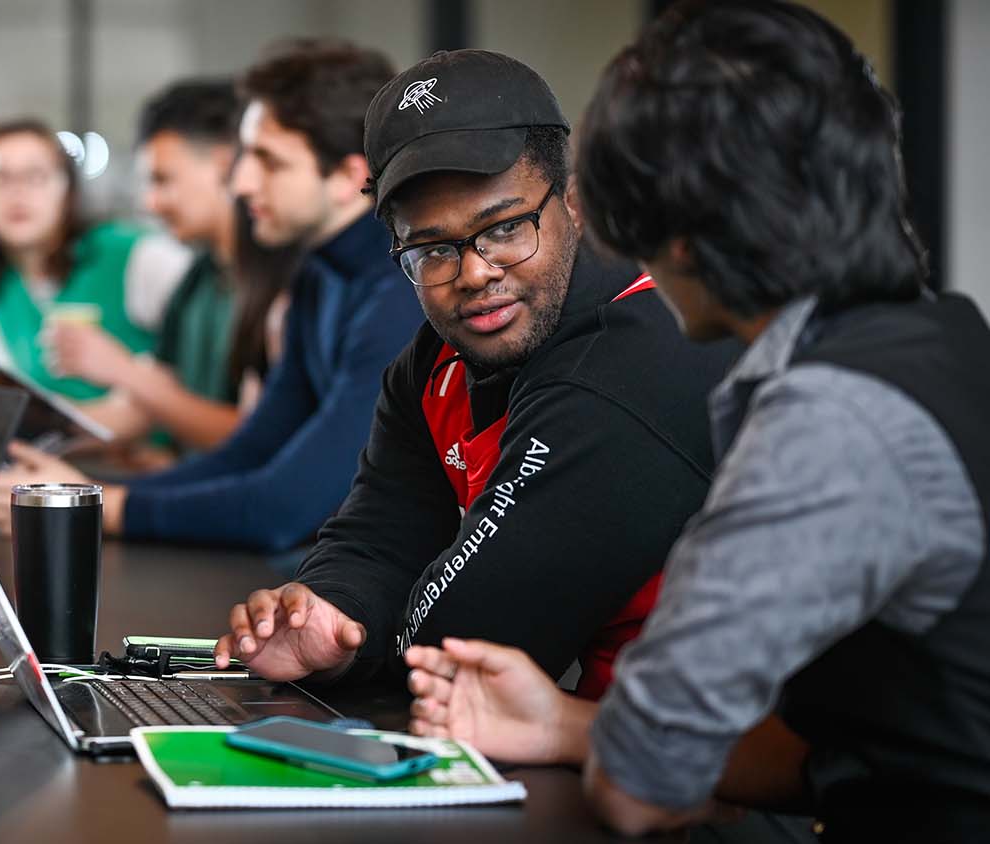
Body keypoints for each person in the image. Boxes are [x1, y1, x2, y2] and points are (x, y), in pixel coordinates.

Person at [405, 2, 990, 840]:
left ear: (670, 235)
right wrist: (569, 727)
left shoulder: (823, 421)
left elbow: (641, 785)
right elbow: (868, 745)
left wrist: (613, 743)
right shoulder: (949, 339)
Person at [211, 48, 739, 704]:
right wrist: (330, 615)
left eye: (505, 228)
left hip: (722, 782)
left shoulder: (634, 362)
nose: (475, 273)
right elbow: (378, 531)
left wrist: (375, 638)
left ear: (573, 203)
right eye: (433, 249)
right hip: (591, 758)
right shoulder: (437, 360)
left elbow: (471, 647)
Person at [0, 39, 420, 552]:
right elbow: (251, 451)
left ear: (350, 176)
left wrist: (98, 504)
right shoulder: (319, 275)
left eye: (268, 161)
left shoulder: (398, 292)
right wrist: (92, 496)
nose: (239, 182)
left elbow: (286, 506)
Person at [46, 77, 297, 457]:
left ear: (224, 165)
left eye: (163, 180)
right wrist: (32, 434)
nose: (151, 203)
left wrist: (121, 369)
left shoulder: (284, 284)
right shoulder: (198, 279)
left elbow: (255, 436)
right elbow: (141, 408)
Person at [0, 118, 190, 401]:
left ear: (68, 190)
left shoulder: (138, 255)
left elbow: (201, 373)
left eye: (35, 176)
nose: (16, 193)